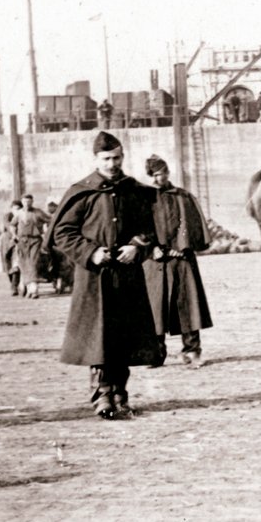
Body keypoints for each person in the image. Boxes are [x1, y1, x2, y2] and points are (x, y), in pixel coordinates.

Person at [48, 131, 161, 419]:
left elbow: (150, 228)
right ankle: (102, 396)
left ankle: (121, 394)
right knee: (99, 337)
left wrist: (137, 246)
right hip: (95, 278)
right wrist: (91, 252)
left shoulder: (133, 190)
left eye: (117, 158)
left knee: (124, 336)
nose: (112, 164)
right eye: (107, 158)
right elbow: (63, 233)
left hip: (127, 276)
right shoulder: (83, 192)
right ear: (96, 159)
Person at [143, 155, 213, 368]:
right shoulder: (144, 198)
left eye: (160, 174)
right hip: (154, 261)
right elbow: (139, 227)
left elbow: (190, 224)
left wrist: (182, 246)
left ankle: (192, 351)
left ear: (167, 172)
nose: (157, 179)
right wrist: (151, 247)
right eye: (153, 175)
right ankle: (155, 353)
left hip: (181, 259)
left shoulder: (183, 197)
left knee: (187, 304)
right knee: (154, 308)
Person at [12, 193, 51, 299]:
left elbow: (50, 220)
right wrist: (14, 235)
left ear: (32, 202)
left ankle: (34, 289)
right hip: (22, 241)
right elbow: (12, 225)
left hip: (35, 241)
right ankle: (28, 287)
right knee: (24, 264)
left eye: (29, 202)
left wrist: (46, 232)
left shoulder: (38, 212)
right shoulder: (19, 214)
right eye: (25, 202)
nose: (27, 204)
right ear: (22, 202)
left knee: (33, 263)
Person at [0, 200, 22, 296]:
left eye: (19, 209)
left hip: (20, 240)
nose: (17, 210)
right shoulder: (8, 216)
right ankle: (12, 282)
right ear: (11, 209)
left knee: (17, 263)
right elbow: (8, 225)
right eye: (15, 209)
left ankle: (14, 286)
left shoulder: (23, 215)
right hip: (8, 240)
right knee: (7, 262)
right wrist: (14, 233)